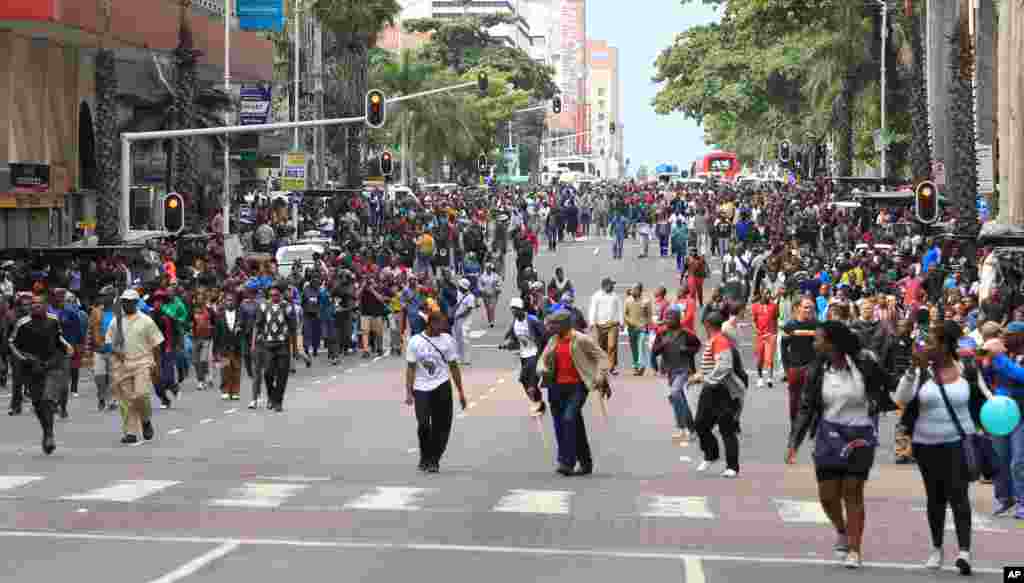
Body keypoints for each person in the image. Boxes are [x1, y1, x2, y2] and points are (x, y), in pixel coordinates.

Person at [786, 321, 897, 569]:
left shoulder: (864, 363)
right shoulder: (817, 370)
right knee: (827, 495)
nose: (814, 343)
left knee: (853, 490)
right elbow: (806, 407)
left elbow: (890, 383)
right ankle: (842, 530)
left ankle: (855, 550)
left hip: (860, 433)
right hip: (828, 433)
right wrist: (794, 441)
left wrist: (901, 388)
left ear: (833, 343)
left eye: (818, 339)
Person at [894, 320, 986, 574]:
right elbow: (900, 399)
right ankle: (936, 549)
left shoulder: (967, 368)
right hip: (926, 444)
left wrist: (989, 422)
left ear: (945, 346)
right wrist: (912, 370)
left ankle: (964, 552)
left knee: (958, 495)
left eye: (932, 342)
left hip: (959, 441)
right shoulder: (922, 373)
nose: (926, 346)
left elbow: (984, 398)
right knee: (935, 498)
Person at [537, 310, 611, 476]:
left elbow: (602, 357)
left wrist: (600, 375)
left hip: (577, 387)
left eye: (554, 324)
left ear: (564, 324)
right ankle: (585, 463)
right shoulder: (553, 340)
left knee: (569, 419)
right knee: (565, 424)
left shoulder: (581, 340)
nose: (550, 327)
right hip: (556, 387)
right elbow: (542, 359)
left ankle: (567, 462)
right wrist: (542, 369)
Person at [8, 294, 74, 454]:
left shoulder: (53, 320)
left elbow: (58, 338)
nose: (36, 306)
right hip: (32, 368)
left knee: (48, 400)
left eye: (39, 304)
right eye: (33, 304)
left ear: (45, 306)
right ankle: (46, 431)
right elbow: (12, 343)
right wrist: (25, 359)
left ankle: (50, 435)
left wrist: (66, 347)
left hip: (51, 365)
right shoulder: (22, 324)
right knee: (38, 403)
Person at [405, 310, 467, 473]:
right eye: (441, 324)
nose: (444, 327)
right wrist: (409, 392)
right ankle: (424, 455)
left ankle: (434, 460)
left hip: (442, 385)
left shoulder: (448, 340)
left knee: (442, 426)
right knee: (424, 424)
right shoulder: (415, 341)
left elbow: (454, 367)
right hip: (421, 388)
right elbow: (411, 368)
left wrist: (460, 391)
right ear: (431, 323)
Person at [105, 289, 163, 445]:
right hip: (122, 364)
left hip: (143, 362)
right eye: (124, 301)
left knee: (141, 394)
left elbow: (157, 344)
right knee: (127, 399)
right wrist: (116, 351)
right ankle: (131, 432)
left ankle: (145, 420)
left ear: (136, 303)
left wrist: (157, 365)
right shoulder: (116, 321)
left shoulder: (146, 321)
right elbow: (109, 342)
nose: (127, 304)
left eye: (130, 301)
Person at [690, 311, 744, 478]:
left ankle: (732, 467)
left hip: (723, 391)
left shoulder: (720, 340)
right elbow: (712, 364)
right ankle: (711, 455)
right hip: (710, 388)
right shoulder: (714, 340)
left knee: (726, 428)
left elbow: (724, 366)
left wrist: (707, 379)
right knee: (700, 423)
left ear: (707, 325)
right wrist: (700, 375)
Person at [978, 324, 1024, 518]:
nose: (1007, 338)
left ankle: (1022, 500)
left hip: (1021, 412)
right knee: (999, 458)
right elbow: (987, 380)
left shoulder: (1006, 357)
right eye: (1006, 335)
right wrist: (985, 362)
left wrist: (1000, 358)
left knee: (1018, 460)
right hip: (1000, 412)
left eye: (1012, 335)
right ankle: (1005, 498)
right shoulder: (1001, 355)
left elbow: (1020, 375)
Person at [652, 307, 701, 441]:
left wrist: (687, 350)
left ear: (678, 319)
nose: (667, 320)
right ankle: (687, 429)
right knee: (678, 400)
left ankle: (688, 428)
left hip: (684, 369)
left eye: (671, 318)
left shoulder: (687, 334)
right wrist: (662, 345)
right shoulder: (662, 334)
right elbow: (654, 351)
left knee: (675, 393)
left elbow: (697, 345)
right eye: (666, 318)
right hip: (669, 370)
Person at [252, 282, 299, 412]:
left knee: (282, 375)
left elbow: (293, 329)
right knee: (267, 373)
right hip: (268, 345)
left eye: (276, 294)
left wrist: (295, 349)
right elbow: (257, 325)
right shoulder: (263, 306)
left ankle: (278, 402)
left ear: (281, 294)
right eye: (271, 294)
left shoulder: (288, 308)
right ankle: (271, 395)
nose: (274, 297)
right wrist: (253, 344)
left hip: (283, 345)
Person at [500, 297, 548, 416]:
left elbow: (544, 335)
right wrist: (506, 344)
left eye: (516, 309)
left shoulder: (532, 320)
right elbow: (510, 337)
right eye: (512, 310)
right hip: (524, 355)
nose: (514, 312)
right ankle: (539, 402)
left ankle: (537, 405)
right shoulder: (515, 323)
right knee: (524, 381)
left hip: (535, 354)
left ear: (521, 309)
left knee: (531, 382)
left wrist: (544, 353)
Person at [781, 296, 818, 427]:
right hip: (795, 368)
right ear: (798, 308)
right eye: (806, 307)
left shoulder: (817, 325)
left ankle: (811, 424)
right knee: (794, 399)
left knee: (813, 397)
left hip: (812, 368)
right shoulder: (789, 326)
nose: (809, 310)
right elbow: (783, 349)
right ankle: (794, 424)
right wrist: (786, 369)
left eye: (811, 308)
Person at [588, 277, 623, 375]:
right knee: (600, 347)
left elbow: (619, 309)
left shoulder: (615, 296)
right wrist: (591, 323)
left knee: (612, 346)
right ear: (605, 285)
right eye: (611, 284)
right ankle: (603, 366)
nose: (613, 286)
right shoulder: (596, 296)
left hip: (612, 325)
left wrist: (621, 322)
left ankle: (612, 368)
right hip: (599, 325)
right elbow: (593, 309)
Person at [213, 292, 244, 401]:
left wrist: (240, 330)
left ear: (235, 302)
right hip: (223, 347)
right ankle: (225, 390)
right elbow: (216, 334)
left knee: (236, 369)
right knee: (225, 369)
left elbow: (244, 330)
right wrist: (215, 350)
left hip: (237, 347)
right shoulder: (219, 315)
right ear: (225, 302)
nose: (230, 302)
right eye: (228, 300)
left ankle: (235, 391)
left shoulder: (240, 314)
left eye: (232, 300)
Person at [751, 290, 779, 389]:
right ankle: (760, 378)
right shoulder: (755, 306)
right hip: (760, 336)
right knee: (760, 359)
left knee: (769, 358)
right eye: (766, 293)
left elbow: (775, 319)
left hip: (770, 335)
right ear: (762, 294)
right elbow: (753, 321)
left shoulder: (774, 306)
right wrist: (756, 330)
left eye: (769, 293)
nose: (768, 295)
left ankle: (770, 378)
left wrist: (775, 333)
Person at [624, 283, 653, 376]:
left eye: (634, 289)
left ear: (639, 291)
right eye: (632, 289)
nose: (632, 291)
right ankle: (636, 366)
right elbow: (625, 315)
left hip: (642, 328)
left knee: (640, 346)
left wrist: (647, 325)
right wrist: (630, 323)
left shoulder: (646, 301)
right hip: (631, 328)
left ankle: (641, 366)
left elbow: (649, 315)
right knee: (634, 348)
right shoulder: (628, 301)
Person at [451, 278, 476, 365]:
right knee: (456, 338)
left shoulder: (470, 297)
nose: (459, 287)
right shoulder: (456, 294)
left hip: (466, 320)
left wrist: (459, 315)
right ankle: (457, 358)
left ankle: (466, 359)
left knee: (465, 337)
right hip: (456, 319)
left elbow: (468, 310)